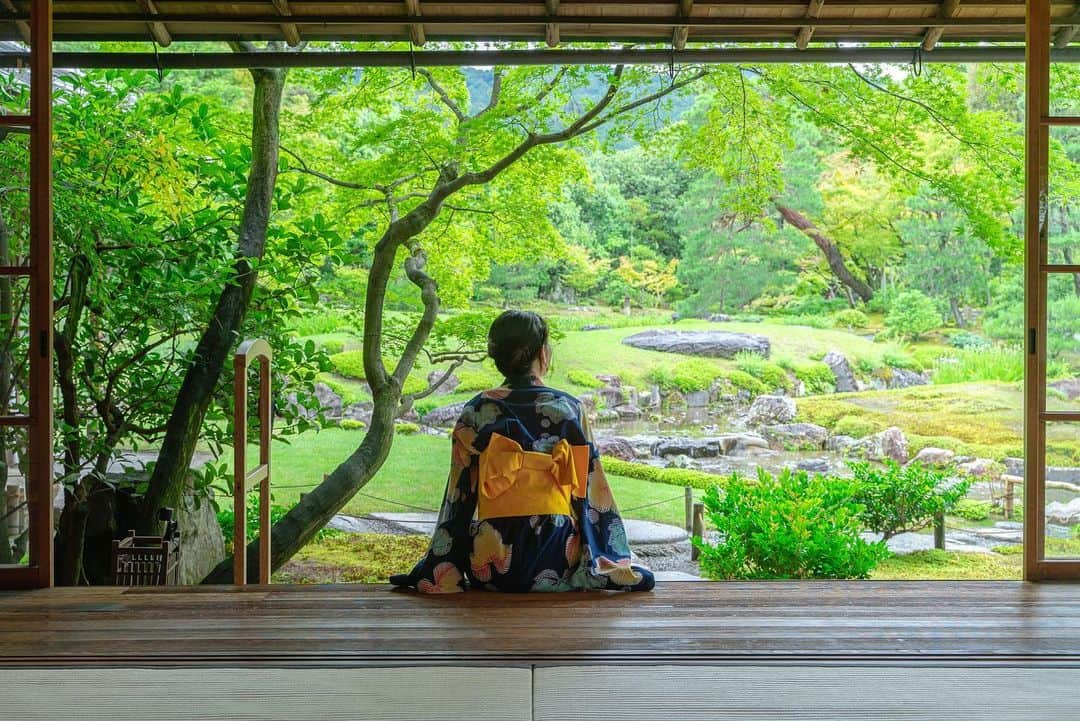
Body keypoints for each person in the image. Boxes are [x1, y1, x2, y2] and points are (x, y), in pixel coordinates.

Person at [390, 310, 655, 593]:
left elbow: (458, 498)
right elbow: (590, 492)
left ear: (498, 356)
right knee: (641, 575)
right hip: (556, 557)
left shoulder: (475, 410)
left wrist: (441, 565)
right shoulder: (568, 407)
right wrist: (607, 557)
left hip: (491, 566)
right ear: (543, 353)